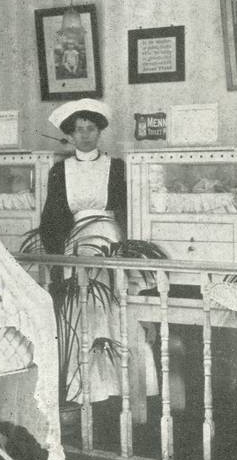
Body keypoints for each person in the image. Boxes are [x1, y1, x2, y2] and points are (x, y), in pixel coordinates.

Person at [40, 99, 158, 414]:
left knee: (115, 306)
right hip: (75, 244)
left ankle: (124, 389)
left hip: (110, 242)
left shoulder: (115, 167)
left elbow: (129, 210)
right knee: (82, 311)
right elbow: (52, 219)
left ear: (99, 131)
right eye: (79, 130)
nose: (85, 135)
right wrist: (57, 258)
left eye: (91, 129)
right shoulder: (58, 171)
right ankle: (86, 389)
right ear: (70, 134)